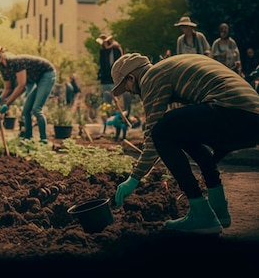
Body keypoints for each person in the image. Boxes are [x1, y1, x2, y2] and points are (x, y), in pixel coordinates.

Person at [111, 53, 259, 234]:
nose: (130, 92)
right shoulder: (170, 68)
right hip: (251, 120)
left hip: (232, 112)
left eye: (126, 87)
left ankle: (200, 213)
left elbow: (153, 133)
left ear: (132, 77)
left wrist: (133, 179)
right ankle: (218, 207)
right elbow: (184, 124)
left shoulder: (152, 77)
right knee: (180, 132)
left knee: (161, 132)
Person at [0, 43, 56, 143]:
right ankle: (28, 137)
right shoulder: (2, 66)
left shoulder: (15, 61)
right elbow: (8, 88)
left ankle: (43, 139)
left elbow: (21, 86)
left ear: (2, 52)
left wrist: (6, 105)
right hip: (36, 79)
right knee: (26, 110)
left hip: (47, 74)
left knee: (36, 109)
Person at [96, 34, 131, 114]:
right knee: (107, 99)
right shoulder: (103, 52)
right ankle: (109, 115)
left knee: (119, 98)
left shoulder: (116, 50)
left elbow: (120, 62)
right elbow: (102, 65)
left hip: (115, 78)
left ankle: (121, 114)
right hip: (106, 80)